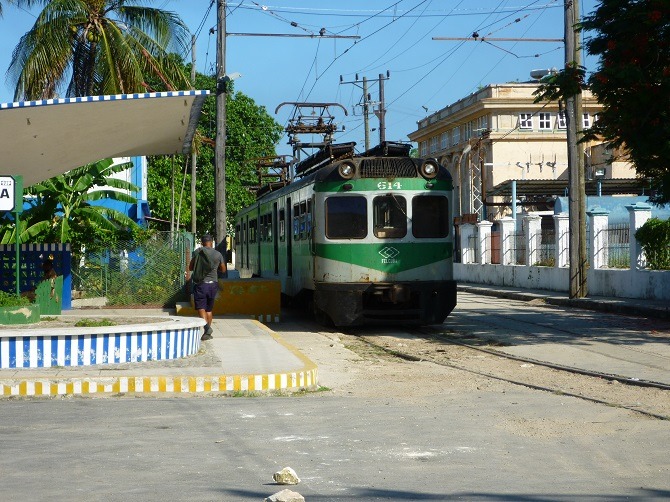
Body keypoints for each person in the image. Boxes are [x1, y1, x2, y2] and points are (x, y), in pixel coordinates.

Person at [189, 234, 226, 341]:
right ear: (212, 241)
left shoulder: (198, 252)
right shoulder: (218, 254)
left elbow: (191, 267)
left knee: (201, 308)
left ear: (202, 242)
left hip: (201, 284)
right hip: (213, 284)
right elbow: (223, 270)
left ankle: (207, 328)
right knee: (209, 309)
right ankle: (207, 334)